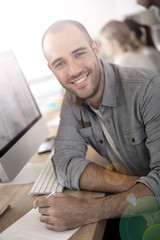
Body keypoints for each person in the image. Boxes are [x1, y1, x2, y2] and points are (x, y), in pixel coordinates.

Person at [34, 20, 160, 239]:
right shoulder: (72, 102)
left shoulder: (148, 90)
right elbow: (64, 163)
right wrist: (140, 186)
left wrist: (86, 210)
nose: (73, 70)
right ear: (51, 69)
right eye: (60, 63)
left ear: (95, 48)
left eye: (79, 53)